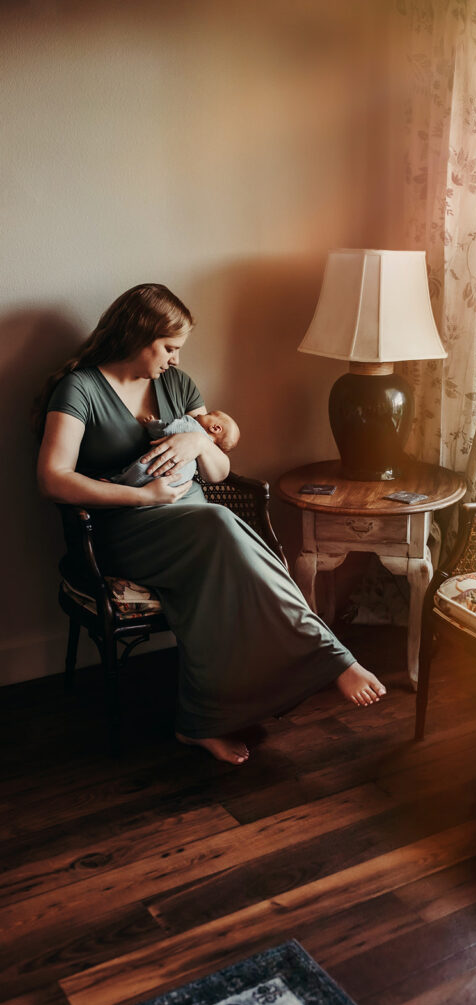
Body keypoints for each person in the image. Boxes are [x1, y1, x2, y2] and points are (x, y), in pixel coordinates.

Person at [35, 283, 386, 765]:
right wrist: (142, 494)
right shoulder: (80, 389)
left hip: (199, 522)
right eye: (169, 347)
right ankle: (332, 657)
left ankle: (201, 722)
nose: (175, 359)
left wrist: (199, 443)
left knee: (215, 541)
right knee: (219, 524)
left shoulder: (178, 385)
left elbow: (219, 471)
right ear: (138, 336)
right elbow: (53, 479)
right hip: (126, 529)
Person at [110, 410, 240, 488]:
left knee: (140, 468)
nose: (200, 414)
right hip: (176, 483)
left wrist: (153, 424)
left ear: (215, 428)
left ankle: (118, 481)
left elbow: (166, 430)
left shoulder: (192, 427)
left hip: (156, 470)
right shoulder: (204, 455)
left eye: (209, 414)